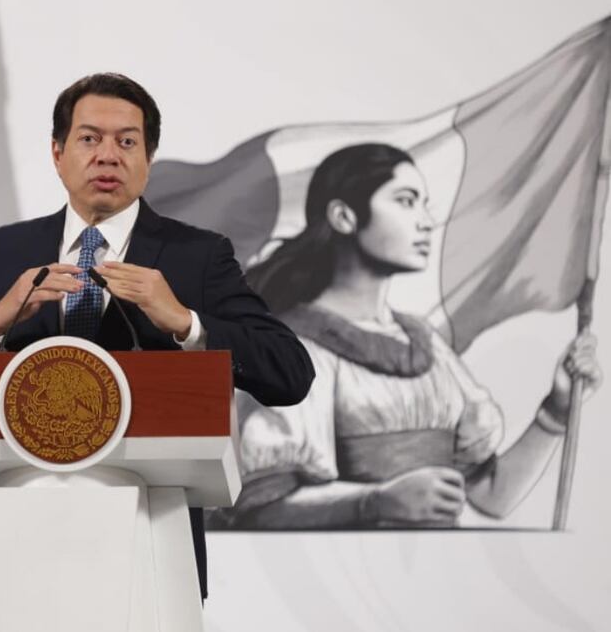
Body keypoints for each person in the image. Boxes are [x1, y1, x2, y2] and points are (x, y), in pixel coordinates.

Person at [0, 73, 315, 598]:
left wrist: (185, 323)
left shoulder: (197, 255)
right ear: (57, 154)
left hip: (150, 542)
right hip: (20, 541)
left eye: (127, 142)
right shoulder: (6, 251)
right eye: (89, 139)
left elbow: (290, 372)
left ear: (149, 159)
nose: (108, 155)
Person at [206, 143, 602, 530]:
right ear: (344, 216)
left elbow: (491, 497)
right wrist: (376, 501)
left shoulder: (424, 342)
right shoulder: (294, 347)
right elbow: (259, 507)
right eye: (407, 200)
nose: (427, 221)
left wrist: (557, 411)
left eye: (424, 203)